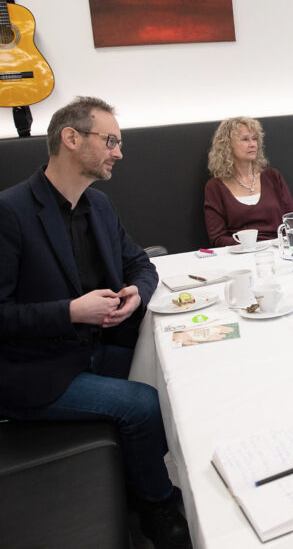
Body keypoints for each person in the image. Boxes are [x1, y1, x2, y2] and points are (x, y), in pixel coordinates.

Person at [0, 96, 191, 549]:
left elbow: (141, 265)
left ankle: (153, 476)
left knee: (178, 373)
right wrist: (71, 311)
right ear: (71, 138)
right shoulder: (10, 212)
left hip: (93, 350)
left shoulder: (99, 206)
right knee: (143, 403)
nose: (118, 153)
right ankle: (157, 506)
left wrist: (135, 294)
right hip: (36, 370)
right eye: (110, 141)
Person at [204, 117, 293, 247]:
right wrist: (251, 246)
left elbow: (292, 222)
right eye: (245, 139)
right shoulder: (215, 187)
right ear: (227, 145)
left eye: (254, 139)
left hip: (277, 249)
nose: (252, 144)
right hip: (240, 255)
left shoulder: (272, 176)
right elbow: (217, 238)